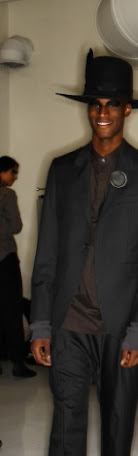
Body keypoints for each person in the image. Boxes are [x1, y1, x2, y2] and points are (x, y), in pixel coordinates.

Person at [30, 50, 138, 456]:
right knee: (65, 424)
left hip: (120, 325)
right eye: (95, 104)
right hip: (68, 321)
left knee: (118, 421)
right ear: (88, 109)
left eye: (112, 104)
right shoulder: (61, 169)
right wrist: (40, 322)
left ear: (126, 109)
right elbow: (46, 251)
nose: (102, 112)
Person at [0, 155, 36, 378]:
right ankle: (17, 362)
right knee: (13, 309)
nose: (15, 177)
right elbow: (16, 226)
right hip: (5, 258)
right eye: (13, 172)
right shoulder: (7, 194)